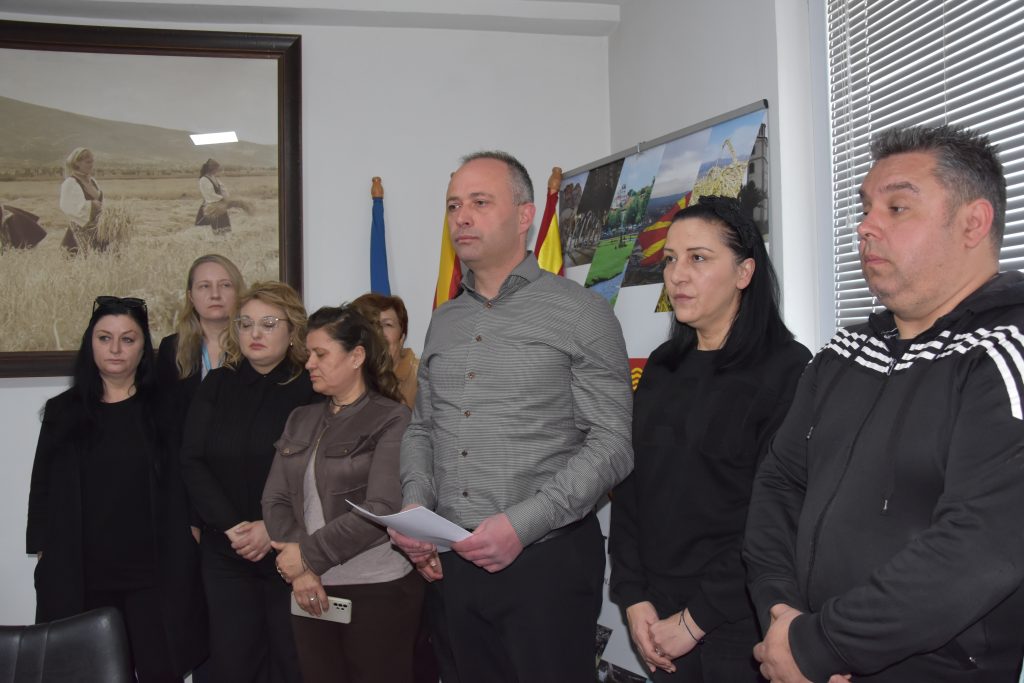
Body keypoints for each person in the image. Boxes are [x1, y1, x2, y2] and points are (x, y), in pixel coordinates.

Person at [744, 124, 1024, 682]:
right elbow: (779, 485)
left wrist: (822, 647)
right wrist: (784, 622)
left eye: (896, 208)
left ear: (973, 223)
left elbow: (980, 547)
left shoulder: (1004, 352)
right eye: (866, 208)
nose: (865, 226)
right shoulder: (843, 353)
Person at [389, 151, 634, 682]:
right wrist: (415, 506)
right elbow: (423, 428)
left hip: (545, 565)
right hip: (453, 564)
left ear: (525, 216)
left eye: (480, 202)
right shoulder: (444, 321)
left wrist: (522, 526)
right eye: (454, 205)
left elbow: (612, 443)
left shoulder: (581, 311)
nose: (462, 217)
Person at [609, 196, 810, 681]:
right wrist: (633, 597)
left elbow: (774, 516)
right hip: (656, 612)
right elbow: (631, 487)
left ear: (744, 272)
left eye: (698, 258)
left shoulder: (789, 369)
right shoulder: (662, 366)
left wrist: (696, 619)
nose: (677, 275)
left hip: (737, 620)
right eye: (670, 259)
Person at [27, 296, 207, 682]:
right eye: (104, 338)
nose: (115, 349)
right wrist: (42, 547)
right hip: (83, 573)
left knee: (161, 670)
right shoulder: (63, 411)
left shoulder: (170, 408)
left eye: (128, 339)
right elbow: (42, 485)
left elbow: (191, 474)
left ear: (143, 348)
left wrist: (193, 528)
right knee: (89, 672)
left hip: (154, 573)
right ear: (90, 344)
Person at [262, 305, 423, 683]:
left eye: (320, 354)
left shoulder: (392, 417)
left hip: (376, 590)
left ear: (356, 356)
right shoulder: (300, 418)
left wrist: (306, 556)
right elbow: (274, 499)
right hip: (309, 587)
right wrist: (302, 571)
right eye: (308, 354)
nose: (309, 364)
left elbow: (381, 508)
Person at [180, 281, 316, 683]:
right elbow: (192, 459)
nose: (255, 333)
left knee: (292, 660)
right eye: (245, 323)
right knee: (234, 662)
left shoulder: (311, 388)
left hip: (291, 549)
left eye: (268, 323)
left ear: (292, 330)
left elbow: (313, 473)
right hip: (227, 550)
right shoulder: (217, 384)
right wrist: (232, 526)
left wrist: (270, 527)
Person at [158, 254, 246, 419]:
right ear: (191, 296)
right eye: (204, 286)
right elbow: (166, 417)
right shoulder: (171, 348)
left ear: (238, 293)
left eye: (225, 285)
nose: (215, 294)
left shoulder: (252, 346)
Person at [350, 292, 419, 408]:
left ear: (402, 337)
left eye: (387, 324)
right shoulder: (345, 379)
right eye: (370, 324)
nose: (379, 332)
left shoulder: (423, 378)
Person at [59, 146, 106, 253]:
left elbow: (102, 203)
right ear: (77, 163)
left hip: (98, 231)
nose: (91, 165)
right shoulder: (70, 183)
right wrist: (92, 205)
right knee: (82, 259)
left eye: (92, 162)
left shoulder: (92, 181)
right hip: (79, 231)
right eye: (88, 162)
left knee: (105, 258)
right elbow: (69, 207)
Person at [196, 158, 250, 234]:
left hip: (219, 204)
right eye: (216, 169)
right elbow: (209, 194)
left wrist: (227, 197)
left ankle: (224, 237)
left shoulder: (213, 177)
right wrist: (221, 198)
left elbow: (222, 188)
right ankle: (216, 237)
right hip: (211, 205)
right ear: (211, 169)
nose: (217, 171)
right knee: (215, 226)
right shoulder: (204, 179)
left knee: (224, 226)